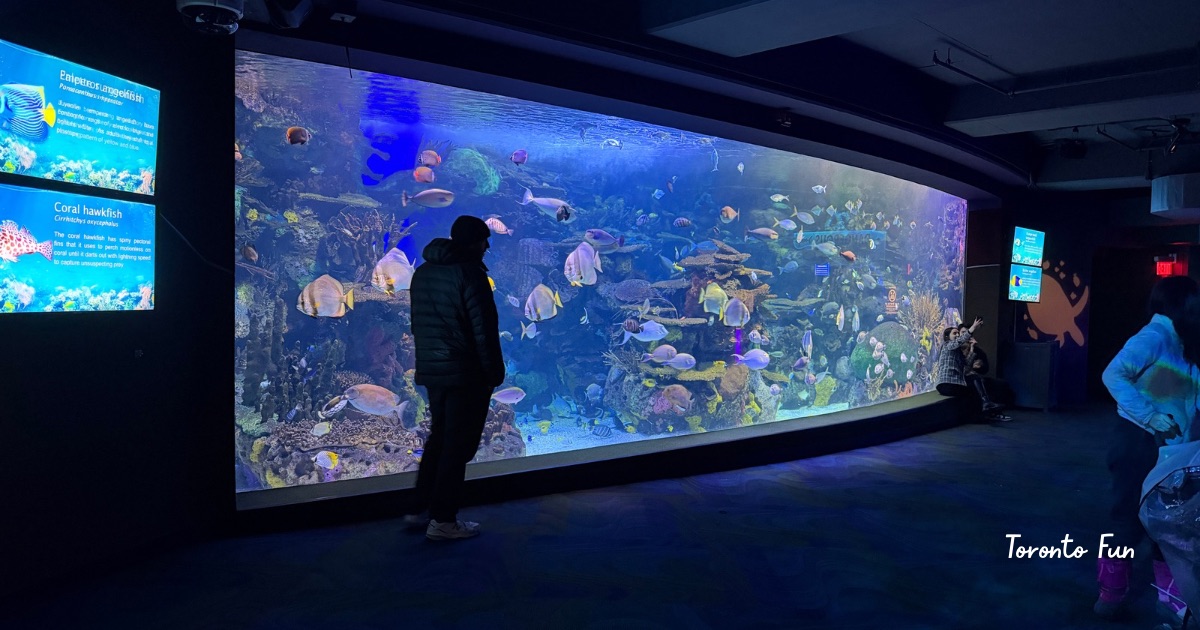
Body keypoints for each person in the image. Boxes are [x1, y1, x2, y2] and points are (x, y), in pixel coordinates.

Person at [1098, 275, 1199, 623]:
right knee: (1126, 518)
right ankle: (1111, 591)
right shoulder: (1154, 336)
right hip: (1138, 444)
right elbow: (1112, 374)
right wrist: (1151, 416)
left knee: (1169, 524)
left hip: (1172, 452)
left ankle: (1171, 599)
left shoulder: (1182, 342)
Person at [404, 215, 505, 541]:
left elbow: (417, 323)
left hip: (433, 370)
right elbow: (484, 331)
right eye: (484, 240)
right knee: (456, 446)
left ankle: (418, 508)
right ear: (473, 242)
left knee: (439, 438)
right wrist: (494, 373)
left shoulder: (423, 272)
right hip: (464, 373)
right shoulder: (470, 275)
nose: (487, 246)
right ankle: (443, 520)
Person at [933, 316, 995, 422]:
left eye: (958, 333)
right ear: (947, 337)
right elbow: (960, 340)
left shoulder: (956, 352)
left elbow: (966, 365)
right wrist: (973, 327)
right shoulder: (947, 345)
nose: (957, 335)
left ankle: (984, 408)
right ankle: (977, 415)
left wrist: (971, 348)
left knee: (974, 382)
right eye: (954, 333)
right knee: (973, 391)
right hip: (947, 384)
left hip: (952, 384)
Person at [960, 325, 1009, 421]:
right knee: (976, 384)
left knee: (997, 384)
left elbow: (985, 369)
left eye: (967, 332)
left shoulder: (978, 351)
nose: (965, 335)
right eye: (963, 333)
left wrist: (980, 366)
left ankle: (993, 412)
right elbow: (963, 368)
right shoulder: (956, 350)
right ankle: (986, 412)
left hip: (976, 376)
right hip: (963, 378)